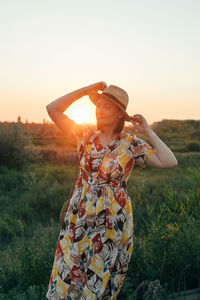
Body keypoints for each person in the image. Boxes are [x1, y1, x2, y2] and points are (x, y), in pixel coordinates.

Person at [45, 82, 178, 300]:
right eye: (98, 105)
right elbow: (53, 109)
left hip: (110, 223)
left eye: (106, 106)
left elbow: (169, 161)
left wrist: (146, 131)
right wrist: (86, 90)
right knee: (67, 275)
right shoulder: (85, 136)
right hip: (78, 219)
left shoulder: (130, 143)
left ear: (119, 114)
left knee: (96, 282)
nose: (99, 109)